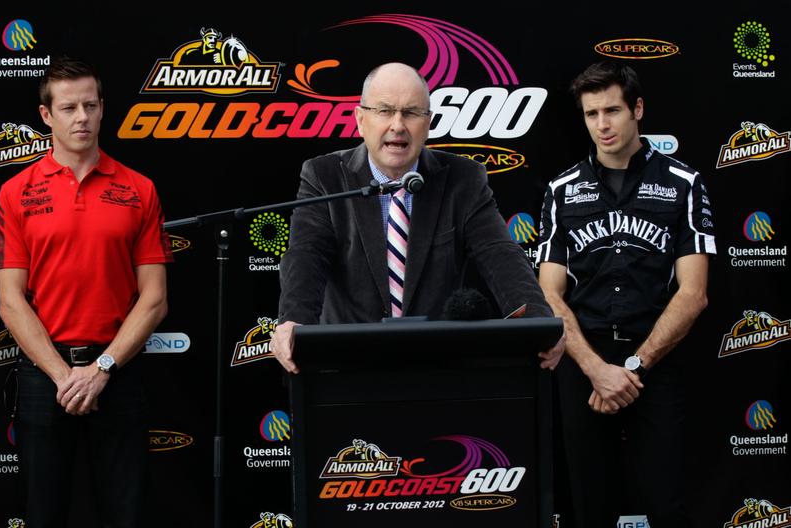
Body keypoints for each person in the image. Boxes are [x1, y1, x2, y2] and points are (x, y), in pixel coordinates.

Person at [271, 62, 563, 373]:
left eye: (411, 113)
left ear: (428, 123)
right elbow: (307, 255)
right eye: (384, 111)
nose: (398, 125)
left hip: (437, 368)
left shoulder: (463, 179)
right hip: (349, 367)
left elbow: (500, 255)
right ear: (361, 119)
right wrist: (295, 322)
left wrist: (538, 323)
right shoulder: (324, 176)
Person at [0, 57, 173, 527]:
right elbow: (10, 300)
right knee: (43, 514)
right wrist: (63, 376)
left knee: (125, 515)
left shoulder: (139, 189)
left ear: (103, 108)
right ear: (46, 115)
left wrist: (101, 369)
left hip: (118, 373)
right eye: (69, 107)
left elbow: (154, 299)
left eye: (90, 105)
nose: (82, 118)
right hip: (42, 377)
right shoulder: (15, 191)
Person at [536, 61, 716, 527]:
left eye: (612, 110)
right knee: (588, 507)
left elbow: (694, 293)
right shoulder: (561, 190)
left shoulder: (684, 183)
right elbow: (550, 296)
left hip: (655, 363)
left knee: (667, 504)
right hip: (583, 366)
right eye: (591, 114)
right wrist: (597, 371)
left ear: (637, 109)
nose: (602, 125)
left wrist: (632, 369)